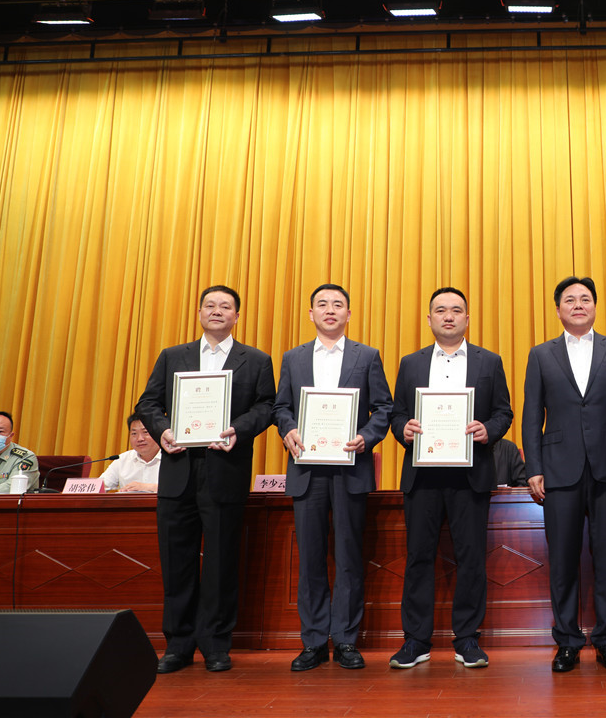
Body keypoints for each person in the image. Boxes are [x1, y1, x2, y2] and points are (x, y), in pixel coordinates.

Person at [135, 285, 275, 674]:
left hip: (225, 471)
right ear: (199, 313)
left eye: (225, 306)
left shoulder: (256, 360)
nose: (217, 311)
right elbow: (148, 403)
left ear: (237, 316)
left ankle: (215, 644)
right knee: (176, 561)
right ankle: (178, 645)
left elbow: (267, 406)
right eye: (210, 305)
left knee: (220, 562)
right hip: (178, 470)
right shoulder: (172, 356)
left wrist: (237, 429)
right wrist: (163, 430)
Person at [523, 276, 606, 673]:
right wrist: (534, 467)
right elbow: (531, 415)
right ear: (558, 309)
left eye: (585, 299)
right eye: (570, 300)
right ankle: (568, 642)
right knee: (562, 560)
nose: (578, 305)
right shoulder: (541, 355)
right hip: (559, 470)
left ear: (594, 306)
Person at [389, 287, 513, 669]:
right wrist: (403, 429)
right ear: (429, 319)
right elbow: (396, 413)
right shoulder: (410, 363)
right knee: (418, 557)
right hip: (422, 475)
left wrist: (488, 430)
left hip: (470, 474)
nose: (448, 316)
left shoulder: (489, 361)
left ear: (467, 319)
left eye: (456, 310)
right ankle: (416, 641)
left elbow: (504, 412)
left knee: (471, 558)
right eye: (440, 310)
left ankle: (467, 638)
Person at [274, 284, 394, 672]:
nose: (330, 310)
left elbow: (384, 408)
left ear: (348, 313)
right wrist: (289, 428)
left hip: (350, 466)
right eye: (322, 304)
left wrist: (367, 437)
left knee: (348, 557)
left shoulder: (367, 356)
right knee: (310, 558)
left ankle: (344, 640)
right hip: (306, 468)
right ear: (311, 313)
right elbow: (281, 407)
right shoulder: (293, 358)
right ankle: (312, 642)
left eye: (338, 304)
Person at [100, 414, 162, 492]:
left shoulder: (173, 459)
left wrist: (148, 487)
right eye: (134, 434)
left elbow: (176, 490)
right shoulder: (122, 459)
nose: (140, 439)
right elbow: (100, 487)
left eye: (146, 432)